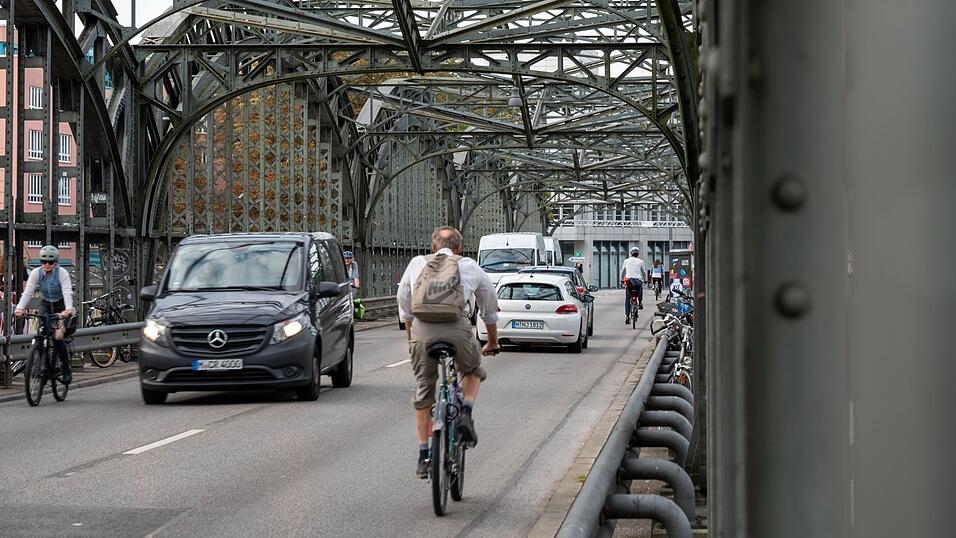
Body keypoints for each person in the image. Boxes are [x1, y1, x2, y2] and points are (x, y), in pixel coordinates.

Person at [397, 227, 500, 479]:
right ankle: (464, 412)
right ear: (459, 248)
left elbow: (404, 302)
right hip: (457, 328)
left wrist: (412, 336)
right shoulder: (469, 266)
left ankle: (424, 455)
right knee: (472, 370)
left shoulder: (416, 263)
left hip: (423, 331)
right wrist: (492, 341)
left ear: (433, 247)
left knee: (424, 391)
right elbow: (489, 306)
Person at [15, 245, 75, 383]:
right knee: (41, 333)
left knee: (58, 336)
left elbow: (67, 292)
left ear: (55, 262)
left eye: (50, 262)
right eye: (43, 262)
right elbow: (28, 292)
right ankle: (40, 364)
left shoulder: (62, 273)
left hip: (61, 306)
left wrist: (68, 310)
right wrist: (20, 308)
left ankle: (66, 368)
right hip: (46, 304)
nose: (46, 265)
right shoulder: (37, 273)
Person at [620, 246, 646, 324]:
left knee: (628, 298)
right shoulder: (641, 261)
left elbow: (622, 271)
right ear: (638, 254)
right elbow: (644, 272)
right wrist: (645, 280)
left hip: (629, 281)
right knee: (640, 289)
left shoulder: (626, 261)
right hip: (638, 280)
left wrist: (621, 280)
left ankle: (627, 316)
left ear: (631, 254)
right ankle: (640, 302)